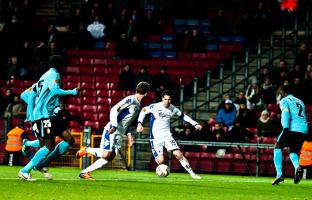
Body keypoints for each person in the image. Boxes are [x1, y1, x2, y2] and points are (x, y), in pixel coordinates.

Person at [18, 55, 79, 181]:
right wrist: (71, 92)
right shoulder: (54, 75)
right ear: (60, 66)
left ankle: (43, 163)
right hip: (45, 116)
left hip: (50, 115)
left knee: (69, 140)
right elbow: (55, 91)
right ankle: (25, 170)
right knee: (48, 145)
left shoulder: (44, 77)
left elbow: (28, 94)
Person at [75, 81, 151, 180]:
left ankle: (84, 172)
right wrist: (114, 126)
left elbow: (127, 122)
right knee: (106, 154)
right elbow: (114, 109)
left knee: (110, 156)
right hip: (112, 129)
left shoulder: (137, 105)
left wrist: (128, 135)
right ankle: (87, 150)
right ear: (146, 93)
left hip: (119, 133)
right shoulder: (130, 100)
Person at [136, 90, 202, 179]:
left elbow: (183, 116)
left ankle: (193, 174)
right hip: (156, 138)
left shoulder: (173, 108)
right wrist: (140, 123)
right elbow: (143, 111)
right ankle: (161, 169)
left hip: (167, 136)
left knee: (178, 154)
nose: (167, 101)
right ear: (162, 99)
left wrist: (195, 124)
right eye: (165, 99)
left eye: (169, 99)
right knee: (161, 160)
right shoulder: (155, 106)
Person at [272, 84, 308, 185]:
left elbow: (286, 112)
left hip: (292, 128)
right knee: (294, 151)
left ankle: (279, 175)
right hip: (303, 130)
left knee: (277, 146)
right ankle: (297, 167)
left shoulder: (285, 100)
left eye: (280, 92)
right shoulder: (300, 101)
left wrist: (285, 127)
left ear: (284, 92)